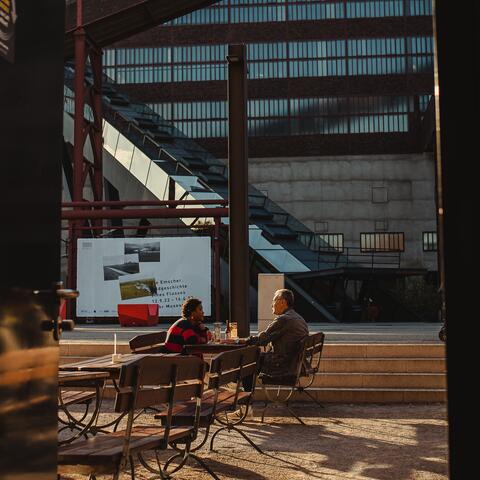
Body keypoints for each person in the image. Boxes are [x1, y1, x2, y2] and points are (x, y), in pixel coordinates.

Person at [244, 289, 309, 390]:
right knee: (252, 359)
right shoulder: (299, 318)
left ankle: (245, 397)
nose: (272, 304)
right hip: (296, 363)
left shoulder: (284, 319)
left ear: (283, 302)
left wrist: (244, 341)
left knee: (248, 361)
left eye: (274, 300)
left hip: (282, 364)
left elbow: (263, 340)